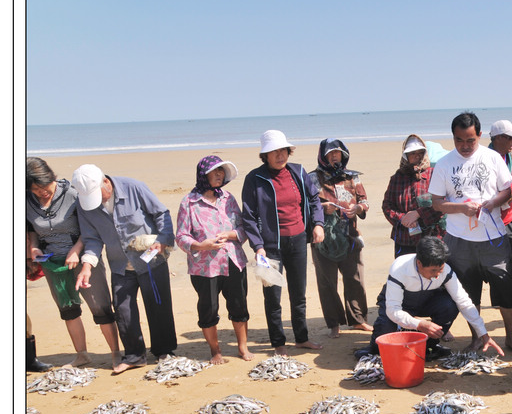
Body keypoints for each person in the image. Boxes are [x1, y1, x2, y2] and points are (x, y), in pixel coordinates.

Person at [429, 111, 512, 354]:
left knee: (505, 288)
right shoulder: (444, 164)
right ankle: (477, 338)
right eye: (459, 140)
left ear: (480, 136)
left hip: (494, 238)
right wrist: (462, 208)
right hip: (459, 241)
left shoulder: (493, 158)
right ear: (453, 137)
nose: (464, 146)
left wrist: (493, 203)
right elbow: (437, 203)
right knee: (468, 293)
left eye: (470, 140)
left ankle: (510, 337)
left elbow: (508, 190)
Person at [73, 163, 177, 374]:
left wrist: (163, 240)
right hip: (120, 265)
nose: (98, 201)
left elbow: (161, 213)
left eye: (99, 195)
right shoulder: (83, 205)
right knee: (123, 310)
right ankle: (134, 356)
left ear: (106, 181)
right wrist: (86, 266)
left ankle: (164, 351)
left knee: (159, 307)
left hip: (151, 260)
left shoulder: (133, 187)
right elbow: (92, 239)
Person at [26, 157, 121, 368]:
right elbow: (32, 228)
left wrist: (76, 251)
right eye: (35, 189)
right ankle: (82, 355)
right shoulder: (28, 201)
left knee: (101, 307)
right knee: (68, 310)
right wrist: (34, 247)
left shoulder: (73, 194)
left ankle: (116, 353)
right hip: (53, 264)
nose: (41, 192)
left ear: (51, 176)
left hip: (83, 258)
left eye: (44, 185)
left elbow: (91, 228)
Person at [241, 129, 325, 355]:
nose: (280, 155)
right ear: (265, 155)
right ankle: (278, 343)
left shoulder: (298, 172)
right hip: (269, 248)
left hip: (298, 241)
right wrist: (258, 247)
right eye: (274, 152)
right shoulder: (254, 179)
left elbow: (314, 199)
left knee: (299, 294)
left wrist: (318, 224)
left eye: (283, 151)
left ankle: (301, 338)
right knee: (273, 297)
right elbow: (248, 215)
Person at [363, 236, 505, 360]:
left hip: (426, 302)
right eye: (433, 271)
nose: (437, 275)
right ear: (419, 263)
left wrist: (483, 334)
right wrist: (419, 324)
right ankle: (373, 347)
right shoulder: (400, 268)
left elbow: (464, 302)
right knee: (383, 335)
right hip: (400, 305)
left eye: (440, 269)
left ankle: (429, 346)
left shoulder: (446, 270)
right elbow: (393, 310)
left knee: (450, 306)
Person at [175, 155, 253, 364]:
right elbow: (181, 236)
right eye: (214, 171)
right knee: (208, 309)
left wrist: (230, 235)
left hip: (233, 261)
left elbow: (244, 229)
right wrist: (201, 245)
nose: (219, 175)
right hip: (204, 266)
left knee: (239, 306)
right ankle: (215, 350)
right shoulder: (189, 202)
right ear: (203, 174)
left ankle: (242, 347)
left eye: (222, 172)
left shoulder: (228, 198)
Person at [309, 138, 372, 337]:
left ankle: (358, 320)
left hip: (350, 236)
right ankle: (333, 324)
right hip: (322, 239)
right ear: (323, 156)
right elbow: (305, 206)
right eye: (330, 153)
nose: (335, 156)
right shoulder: (312, 178)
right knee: (327, 282)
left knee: (355, 279)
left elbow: (365, 200)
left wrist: (359, 208)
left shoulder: (352, 177)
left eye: (338, 153)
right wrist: (321, 208)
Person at [382, 134, 445, 258]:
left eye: (420, 152)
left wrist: (418, 214)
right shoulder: (397, 178)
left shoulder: (434, 175)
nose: (417, 156)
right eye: (412, 153)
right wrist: (403, 219)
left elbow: (443, 204)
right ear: (406, 156)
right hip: (405, 239)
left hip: (432, 238)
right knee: (406, 274)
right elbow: (387, 206)